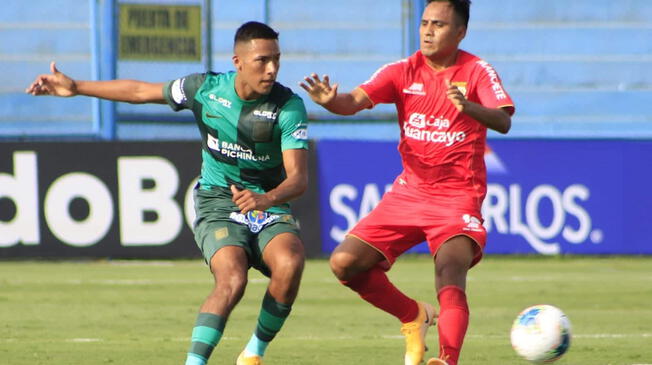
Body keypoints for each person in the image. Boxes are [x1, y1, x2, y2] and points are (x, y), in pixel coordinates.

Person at [27, 21, 309, 365]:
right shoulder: (204, 89)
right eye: (262, 60)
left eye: (277, 60)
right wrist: (77, 86)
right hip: (218, 201)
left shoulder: (288, 106)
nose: (272, 69)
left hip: (268, 202)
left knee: (290, 263)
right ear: (237, 61)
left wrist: (265, 199)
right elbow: (139, 92)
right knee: (232, 279)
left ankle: (253, 353)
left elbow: (298, 179)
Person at [300, 0, 515, 364]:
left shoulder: (477, 71)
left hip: (457, 197)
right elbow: (352, 101)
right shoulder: (402, 70)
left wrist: (469, 108)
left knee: (449, 268)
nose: (429, 30)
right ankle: (413, 315)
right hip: (410, 191)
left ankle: (446, 360)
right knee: (344, 263)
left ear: (460, 32)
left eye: (440, 24)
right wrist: (331, 101)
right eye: (425, 22)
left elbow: (503, 120)